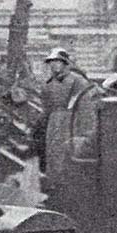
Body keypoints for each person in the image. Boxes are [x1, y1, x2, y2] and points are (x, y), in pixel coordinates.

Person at [35, 48, 90, 181]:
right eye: (51, 62)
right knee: (52, 152)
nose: (53, 65)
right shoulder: (48, 83)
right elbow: (46, 106)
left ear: (65, 63)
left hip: (72, 120)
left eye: (57, 62)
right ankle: (53, 181)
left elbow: (84, 104)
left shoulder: (77, 81)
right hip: (53, 122)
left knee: (67, 152)